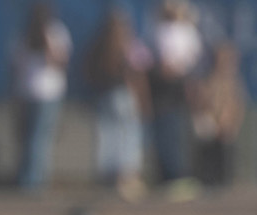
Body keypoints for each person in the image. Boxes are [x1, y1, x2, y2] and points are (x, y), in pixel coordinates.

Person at [85, 9, 151, 200]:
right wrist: (143, 100)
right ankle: (126, 177)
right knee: (128, 135)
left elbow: (88, 71)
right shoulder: (129, 45)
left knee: (107, 136)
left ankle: (108, 176)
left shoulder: (99, 46)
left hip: (104, 95)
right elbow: (139, 74)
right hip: (123, 95)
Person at [11, 2, 72, 190]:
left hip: (27, 91)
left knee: (31, 138)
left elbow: (14, 63)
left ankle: (29, 178)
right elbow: (61, 61)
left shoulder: (24, 32)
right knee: (39, 138)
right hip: (47, 93)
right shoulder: (54, 32)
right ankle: (34, 180)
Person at [148, 0, 203, 186]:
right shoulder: (159, 29)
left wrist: (180, 70)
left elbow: (192, 58)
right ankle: (168, 175)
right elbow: (158, 60)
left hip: (180, 85)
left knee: (178, 131)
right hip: (163, 87)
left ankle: (177, 175)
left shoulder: (187, 31)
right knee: (165, 130)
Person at [192, 42, 245, 188]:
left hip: (226, 122)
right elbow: (202, 102)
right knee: (207, 145)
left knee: (226, 151)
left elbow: (236, 104)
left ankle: (227, 179)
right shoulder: (208, 78)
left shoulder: (233, 81)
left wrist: (227, 120)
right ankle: (207, 178)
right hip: (210, 121)